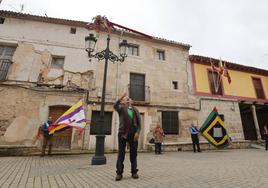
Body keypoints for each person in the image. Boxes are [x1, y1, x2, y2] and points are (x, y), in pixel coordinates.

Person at [114, 93, 141, 181]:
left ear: (131, 101)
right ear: (123, 101)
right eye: (126, 99)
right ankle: (119, 173)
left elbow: (139, 123)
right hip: (122, 134)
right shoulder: (121, 109)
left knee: (133, 154)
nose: (127, 99)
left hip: (133, 134)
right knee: (121, 154)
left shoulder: (135, 110)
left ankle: (134, 172)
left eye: (129, 98)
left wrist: (137, 132)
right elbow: (115, 105)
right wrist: (121, 97)